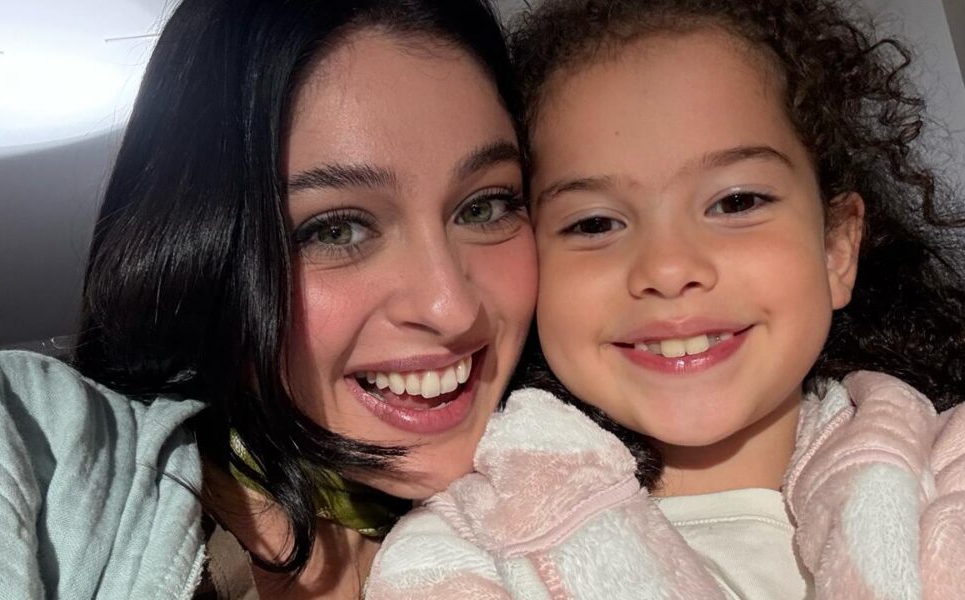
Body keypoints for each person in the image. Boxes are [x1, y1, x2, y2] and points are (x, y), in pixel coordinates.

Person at [366, 1, 965, 598]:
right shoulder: (456, 551)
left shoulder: (943, 471)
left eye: (735, 203)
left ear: (836, 248)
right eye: (595, 224)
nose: (668, 269)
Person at [0, 0, 537, 597]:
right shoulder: (24, 446)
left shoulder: (575, 488)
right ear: (205, 253)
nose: (452, 309)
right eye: (336, 229)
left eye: (485, 206)